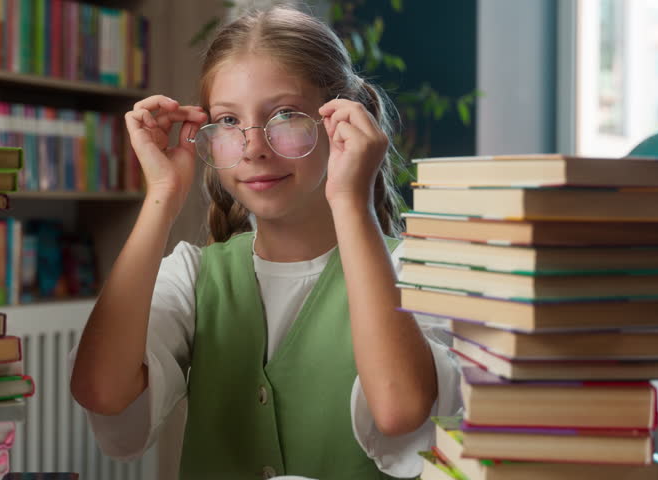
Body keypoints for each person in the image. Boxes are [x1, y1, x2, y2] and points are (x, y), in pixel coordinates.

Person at [70, 6, 461, 479]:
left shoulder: (419, 271)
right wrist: (161, 198)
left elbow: (400, 410)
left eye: (285, 115)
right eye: (229, 121)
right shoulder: (194, 276)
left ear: (340, 121)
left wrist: (351, 204)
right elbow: (100, 389)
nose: (254, 147)